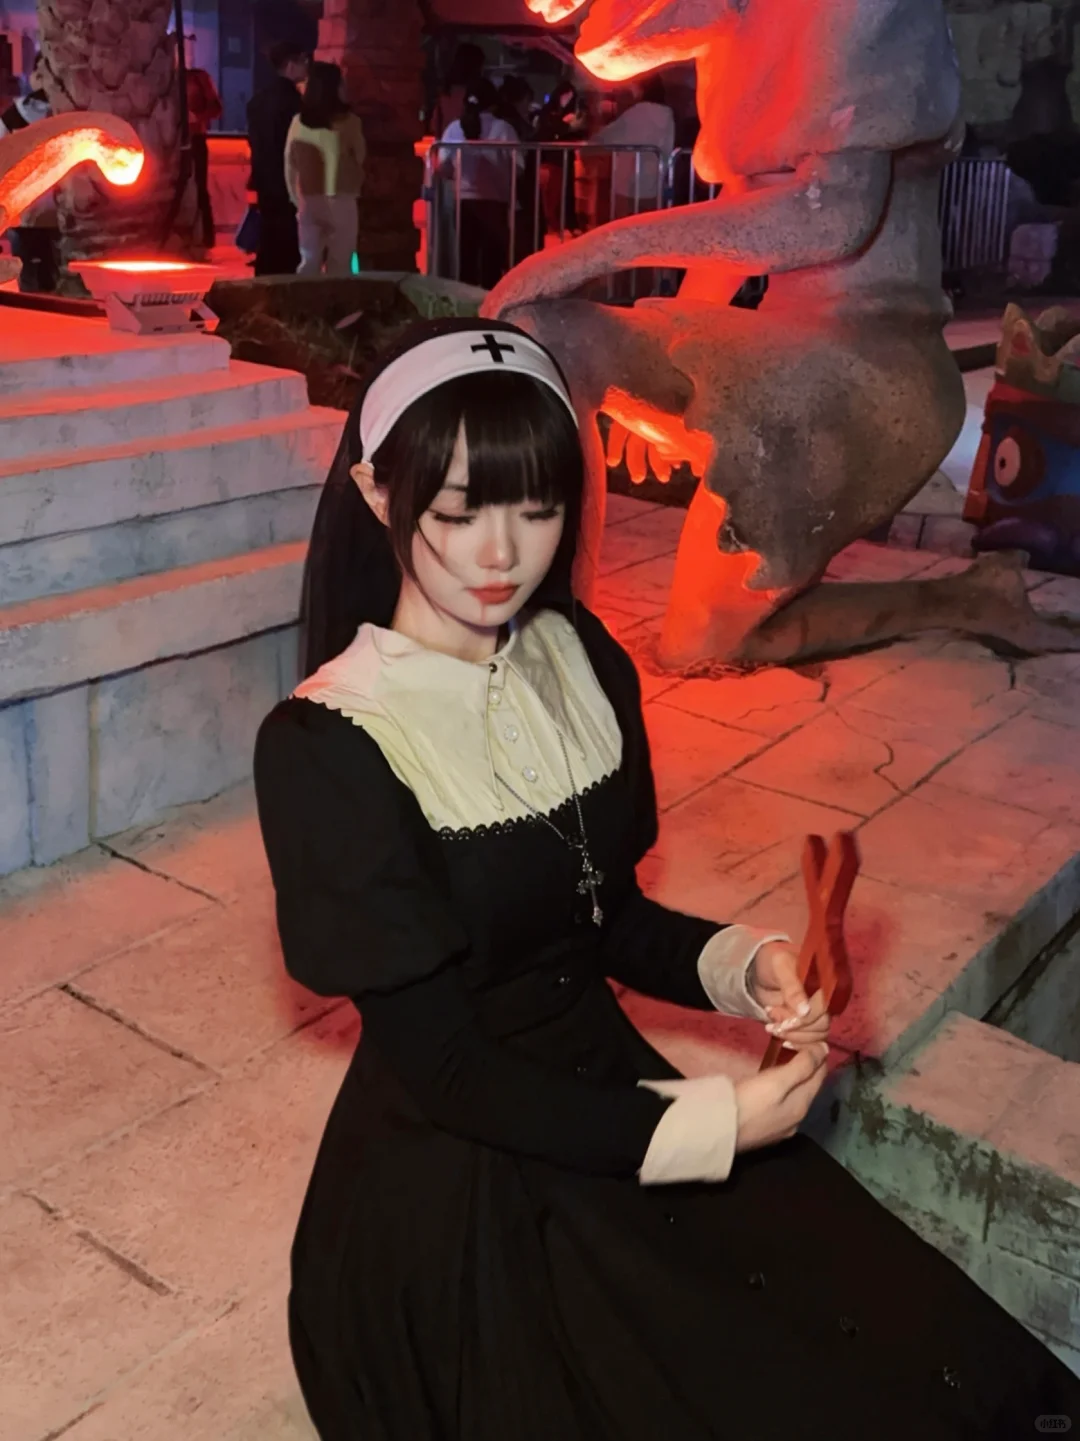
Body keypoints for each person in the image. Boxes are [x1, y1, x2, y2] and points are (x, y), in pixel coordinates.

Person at [254, 315, 1080, 1441]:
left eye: (537, 509)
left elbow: (605, 920)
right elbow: (448, 1070)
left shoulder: (579, 655)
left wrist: (743, 965)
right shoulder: (331, 744)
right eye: (457, 512)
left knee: (887, 1333)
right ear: (374, 488)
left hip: (605, 1084)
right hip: (459, 1172)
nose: (501, 555)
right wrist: (710, 1124)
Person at [285, 60, 366, 277]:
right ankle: (336, 299)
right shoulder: (350, 122)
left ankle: (305, 298)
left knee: (309, 262)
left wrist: (296, 199)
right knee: (341, 263)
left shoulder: (298, 123)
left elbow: (290, 165)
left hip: (308, 198)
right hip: (342, 198)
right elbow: (360, 156)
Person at [439, 79, 520, 288]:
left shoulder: (454, 129)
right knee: (492, 262)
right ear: (493, 103)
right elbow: (519, 166)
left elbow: (443, 167)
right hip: (496, 201)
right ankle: (490, 303)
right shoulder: (503, 129)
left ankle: (465, 303)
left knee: (466, 258)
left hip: (464, 201)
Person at [247, 41, 309, 277]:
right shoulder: (294, 103)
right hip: (288, 182)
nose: (306, 67)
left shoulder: (258, 100)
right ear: (291, 65)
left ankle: (263, 286)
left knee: (268, 240)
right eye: (303, 61)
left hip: (264, 179)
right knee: (288, 243)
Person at [0, 53, 59, 292]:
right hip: (45, 214)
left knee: (32, 279)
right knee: (47, 277)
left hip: (30, 213)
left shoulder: (12, 116)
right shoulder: (62, 112)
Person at [183, 43, 223, 255]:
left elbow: (216, 108)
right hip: (170, 142)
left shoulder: (198, 77)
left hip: (195, 138)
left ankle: (206, 237)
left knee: (199, 186)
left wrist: (197, 117)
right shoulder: (162, 77)